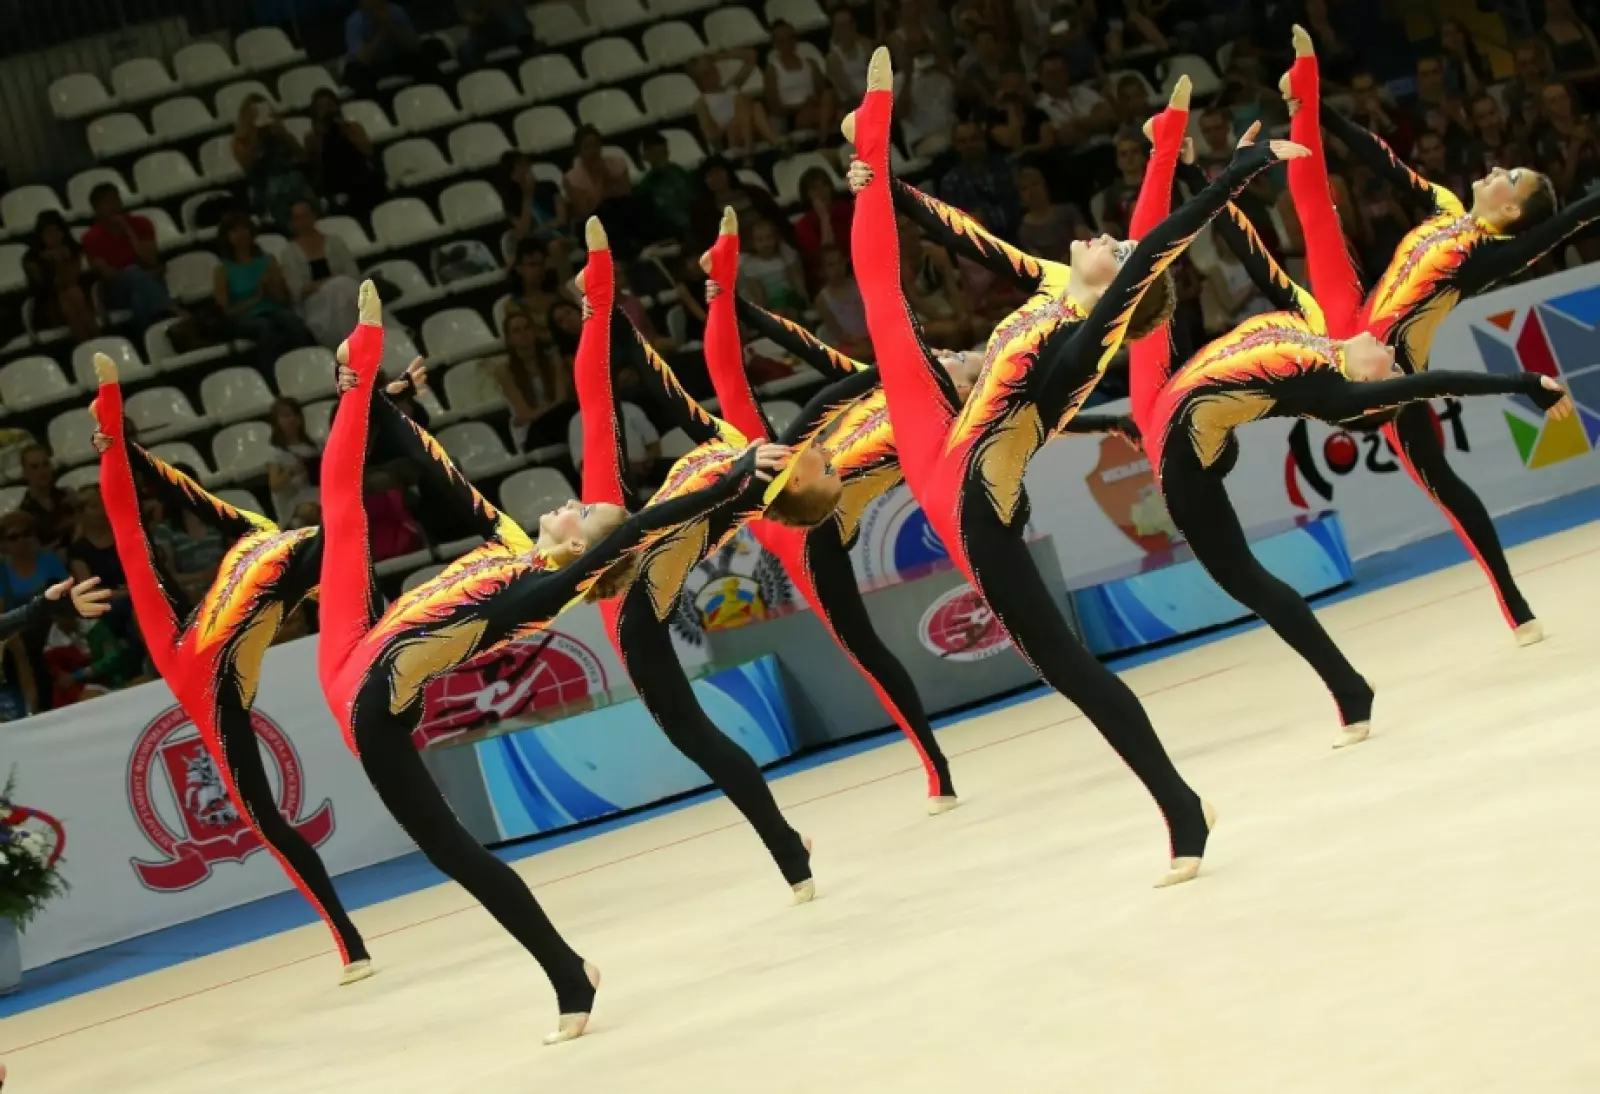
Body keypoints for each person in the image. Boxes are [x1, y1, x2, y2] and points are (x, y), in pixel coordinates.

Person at [849, 55, 1298, 885]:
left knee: (1072, 671)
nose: (1102, 235)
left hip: (975, 498)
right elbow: (971, 238)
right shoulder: (1056, 289)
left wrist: (1237, 173)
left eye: (1115, 249)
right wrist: (885, 189)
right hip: (947, 450)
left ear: (1123, 285)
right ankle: (871, 141)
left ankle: (1181, 806)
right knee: (883, 307)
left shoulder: (1084, 337)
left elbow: (1154, 246)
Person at [316, 282, 785, 1041]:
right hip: (352, 651)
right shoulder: (512, 544)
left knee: (455, 854)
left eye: (582, 513)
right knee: (341, 515)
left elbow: (630, 535)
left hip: (374, 700)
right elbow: (439, 473)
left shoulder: (539, 593)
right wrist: (385, 408)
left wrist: (735, 479)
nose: (572, 502)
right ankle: (356, 378)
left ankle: (569, 973)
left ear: (577, 548)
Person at [89, 358, 438, 983]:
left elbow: (157, 513)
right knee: (335, 510)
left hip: (226, 643)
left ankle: (371, 403)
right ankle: (350, 943)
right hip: (218, 634)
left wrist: (119, 444)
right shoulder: (251, 530)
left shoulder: (270, 550)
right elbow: (177, 498)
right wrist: (122, 445)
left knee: (341, 513)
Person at [1284, 28, 1600, 645]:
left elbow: (1570, 220)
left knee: (1443, 485)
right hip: (1350, 325)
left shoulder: (1489, 255)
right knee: (1317, 213)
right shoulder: (1449, 207)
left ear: (1511, 212)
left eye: (1511, 175)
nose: (1497, 168)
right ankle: (1304, 94)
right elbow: (1385, 163)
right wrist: (1324, 113)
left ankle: (1515, 605)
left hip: (1390, 370)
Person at [574, 218, 845, 901]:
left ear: (796, 487)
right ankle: (595, 297)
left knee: (701, 741)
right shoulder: (743, 452)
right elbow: (669, 386)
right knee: (597, 410)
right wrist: (619, 313)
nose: (825, 453)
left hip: (634, 607)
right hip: (626, 545)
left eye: (825, 467)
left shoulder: (752, 489)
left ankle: (787, 850)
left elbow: (699, 508)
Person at [702, 207, 957, 809]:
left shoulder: (927, 406)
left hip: (810, 511)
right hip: (803, 525)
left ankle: (935, 769)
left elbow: (807, 389)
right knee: (865, 651)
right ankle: (936, 767)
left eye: (953, 360)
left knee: (737, 399)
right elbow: (813, 362)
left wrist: (730, 302)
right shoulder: (888, 388)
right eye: (946, 355)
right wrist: (735, 303)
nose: (950, 355)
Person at [214, 212, 316, 370]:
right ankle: (271, 374)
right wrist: (256, 297)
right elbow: (224, 311)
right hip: (243, 317)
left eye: (244, 229)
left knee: (293, 323)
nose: (241, 234)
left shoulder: (268, 260)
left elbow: (284, 300)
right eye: (234, 231)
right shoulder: (222, 269)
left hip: (272, 309)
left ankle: (308, 366)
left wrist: (272, 288)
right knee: (264, 328)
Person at [81, 184, 172, 335]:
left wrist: (128, 231)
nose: (113, 206)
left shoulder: (142, 223)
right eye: (106, 203)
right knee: (133, 272)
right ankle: (172, 310)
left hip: (147, 287)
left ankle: (152, 339)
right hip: (116, 293)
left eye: (115, 200)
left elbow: (151, 260)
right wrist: (139, 276)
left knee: (138, 300)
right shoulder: (90, 238)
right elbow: (108, 276)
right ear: (96, 210)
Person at [281, 200, 363, 348]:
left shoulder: (335, 242)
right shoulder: (289, 253)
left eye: (306, 215)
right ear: (292, 223)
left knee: (345, 288)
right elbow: (297, 290)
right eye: (298, 217)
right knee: (340, 286)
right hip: (315, 303)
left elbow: (353, 274)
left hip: (345, 292)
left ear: (314, 216)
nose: (303, 221)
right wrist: (328, 283)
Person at [231, 94, 316, 232]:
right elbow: (248, 166)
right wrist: (255, 135)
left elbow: (301, 155)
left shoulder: (278, 134)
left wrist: (283, 133)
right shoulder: (241, 141)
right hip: (264, 187)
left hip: (291, 183)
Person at [491, 311, 574, 451]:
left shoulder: (553, 360)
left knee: (570, 413)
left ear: (534, 332)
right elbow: (524, 414)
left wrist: (538, 412)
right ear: (509, 339)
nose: (524, 334)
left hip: (559, 419)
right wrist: (547, 410)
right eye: (516, 331)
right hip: (532, 431)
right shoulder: (505, 371)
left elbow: (562, 399)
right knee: (568, 415)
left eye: (527, 328)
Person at [305, 90, 386, 223]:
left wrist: (345, 129)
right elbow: (316, 165)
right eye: (321, 107)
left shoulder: (353, 127)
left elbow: (368, 151)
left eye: (329, 105)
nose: (327, 110)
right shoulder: (312, 137)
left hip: (359, 175)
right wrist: (320, 134)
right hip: (334, 182)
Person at [23, 210, 95, 343]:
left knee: (74, 293)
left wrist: (64, 260)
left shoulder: (72, 249)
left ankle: (91, 342)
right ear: (40, 236)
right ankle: (91, 344)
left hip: (75, 302)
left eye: (57, 231)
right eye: (48, 233)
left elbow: (71, 280)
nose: (54, 236)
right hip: (47, 307)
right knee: (70, 296)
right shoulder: (31, 260)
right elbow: (53, 287)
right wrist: (56, 262)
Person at [690, 52, 779, 159]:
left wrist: (722, 56)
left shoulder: (731, 87)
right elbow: (711, 134)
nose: (714, 73)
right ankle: (766, 145)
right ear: (699, 81)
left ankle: (773, 143)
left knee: (756, 106)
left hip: (751, 127)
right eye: (707, 74)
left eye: (713, 68)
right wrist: (732, 121)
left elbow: (751, 57)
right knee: (741, 100)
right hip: (731, 136)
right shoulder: (702, 102)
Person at [343, 0, 438, 98]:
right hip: (371, 66)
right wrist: (380, 34)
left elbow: (413, 46)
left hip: (395, 59)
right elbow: (363, 59)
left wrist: (390, 26)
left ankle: (432, 96)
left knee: (426, 55)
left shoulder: (396, 12)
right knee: (357, 74)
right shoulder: (354, 22)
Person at [764, 20, 835, 140]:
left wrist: (814, 100)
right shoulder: (772, 71)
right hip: (791, 116)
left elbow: (822, 92)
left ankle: (823, 136)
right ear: (776, 44)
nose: (788, 44)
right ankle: (825, 138)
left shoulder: (810, 64)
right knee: (834, 116)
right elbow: (774, 107)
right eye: (782, 41)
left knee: (829, 95)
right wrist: (801, 106)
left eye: (790, 39)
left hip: (814, 108)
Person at [496, 151, 573, 259]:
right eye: (519, 166)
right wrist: (528, 196)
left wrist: (541, 229)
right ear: (511, 175)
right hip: (534, 244)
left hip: (560, 236)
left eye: (525, 164)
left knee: (554, 246)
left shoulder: (550, 186)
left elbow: (561, 219)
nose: (526, 169)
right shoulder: (510, 201)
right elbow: (524, 230)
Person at [793, 167, 852, 290]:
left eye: (824, 185)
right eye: (814, 189)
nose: (821, 192)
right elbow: (825, 259)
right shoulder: (803, 226)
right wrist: (825, 219)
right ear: (807, 195)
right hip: (827, 278)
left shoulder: (846, 210)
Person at [634, 131, 700, 240]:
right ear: (646, 157)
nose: (659, 158)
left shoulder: (680, 173)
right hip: (668, 233)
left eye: (662, 153)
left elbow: (695, 198)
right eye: (654, 154)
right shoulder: (645, 187)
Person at [813, 245, 874, 361]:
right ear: (823, 269)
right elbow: (838, 334)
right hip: (848, 345)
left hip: (872, 338)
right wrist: (859, 342)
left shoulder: (860, 285)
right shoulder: (822, 299)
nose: (837, 268)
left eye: (839, 262)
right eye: (831, 265)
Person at [739, 217, 808, 318]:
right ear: (752, 243)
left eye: (769, 238)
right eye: (760, 240)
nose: (766, 243)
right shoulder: (750, 265)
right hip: (770, 303)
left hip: (789, 297)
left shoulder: (783, 256)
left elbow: (796, 281)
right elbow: (758, 296)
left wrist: (804, 300)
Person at [266, 396, 321, 522]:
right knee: (311, 511)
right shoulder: (275, 452)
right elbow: (274, 485)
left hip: (313, 491)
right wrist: (291, 471)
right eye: (285, 416)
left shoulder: (314, 446)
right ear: (276, 422)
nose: (291, 419)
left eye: (295, 415)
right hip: (291, 502)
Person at [17, 444, 73, 551]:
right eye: (34, 467)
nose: (42, 471)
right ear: (24, 473)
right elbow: (35, 553)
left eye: (45, 464)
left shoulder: (67, 496)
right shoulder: (25, 515)